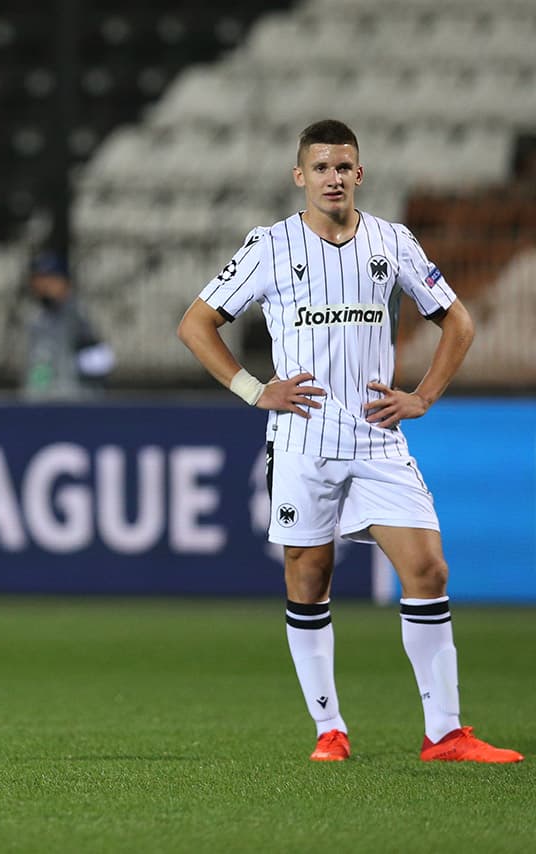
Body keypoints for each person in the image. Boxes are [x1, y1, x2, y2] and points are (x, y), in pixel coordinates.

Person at [176, 118, 522, 763]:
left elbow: (459, 322)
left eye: (344, 167)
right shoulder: (268, 245)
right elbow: (196, 324)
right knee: (310, 579)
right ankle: (328, 730)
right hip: (303, 440)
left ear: (359, 174)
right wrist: (254, 390)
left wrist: (422, 396)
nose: (333, 178)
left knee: (428, 570)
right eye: (321, 167)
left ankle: (444, 734)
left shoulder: (393, 242)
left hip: (377, 437)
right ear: (299, 176)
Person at [21, 251, 115, 399]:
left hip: (74, 406)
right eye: (38, 280)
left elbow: (101, 363)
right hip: (44, 407)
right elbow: (40, 369)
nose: (43, 286)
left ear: (63, 282)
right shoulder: (40, 321)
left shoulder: (78, 317)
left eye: (49, 280)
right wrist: (35, 394)